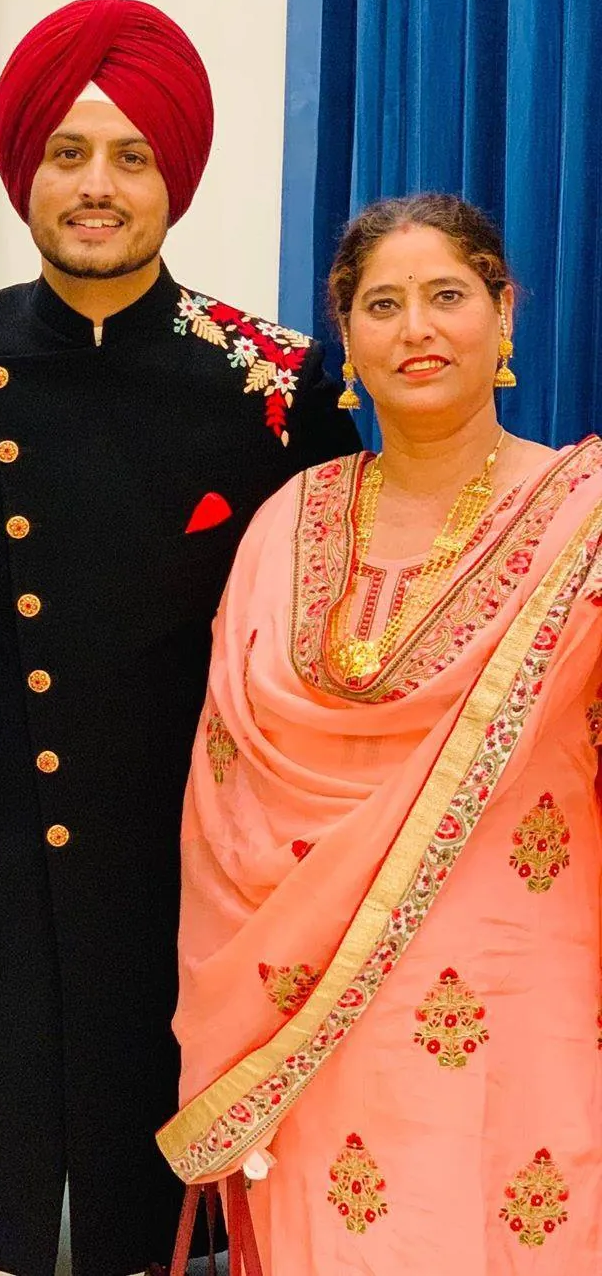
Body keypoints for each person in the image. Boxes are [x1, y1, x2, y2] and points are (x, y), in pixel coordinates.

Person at [0, 0, 360, 1276]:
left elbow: (340, 617)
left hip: (191, 863)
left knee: (181, 1218)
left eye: (133, 155)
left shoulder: (274, 378)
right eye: (69, 152)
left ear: (175, 178)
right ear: (25, 170)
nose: (98, 185)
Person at [158, 193, 602, 1273]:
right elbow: (225, 792)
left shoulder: (584, 514)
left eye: (448, 296)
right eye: (383, 305)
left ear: (504, 314)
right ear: (346, 340)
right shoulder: (291, 518)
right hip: (307, 1015)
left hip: (524, 994)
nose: (418, 330)